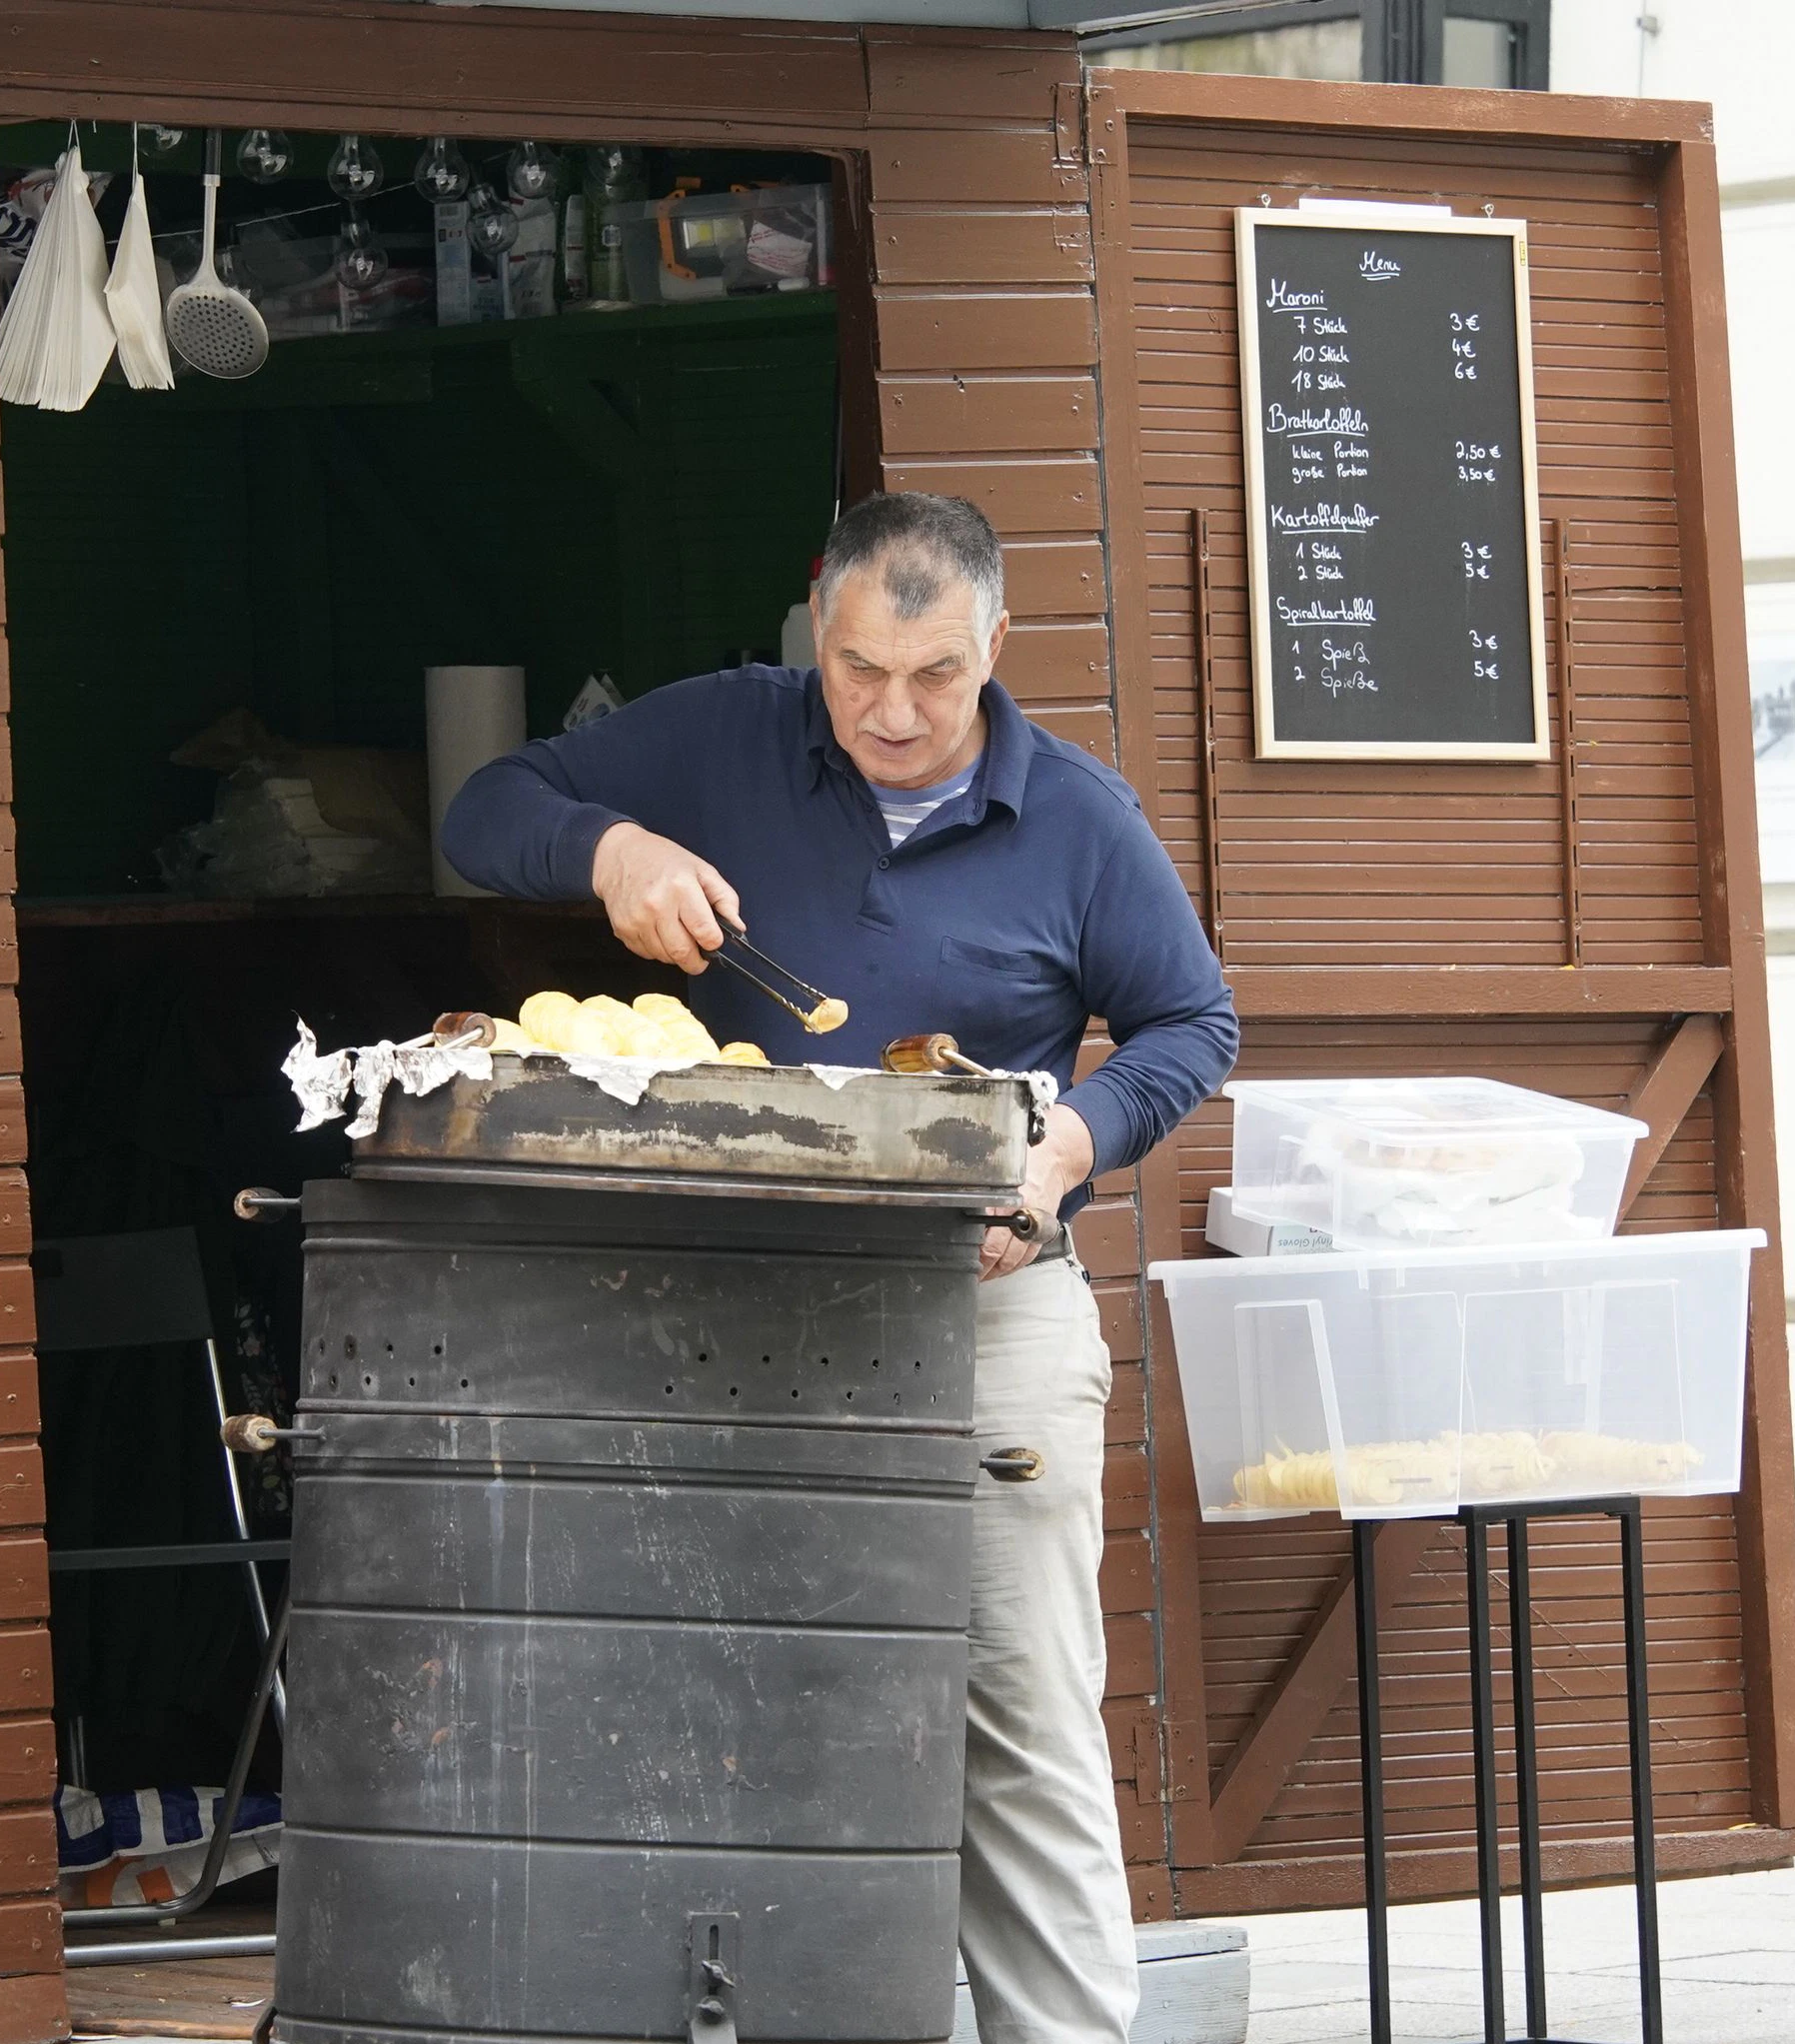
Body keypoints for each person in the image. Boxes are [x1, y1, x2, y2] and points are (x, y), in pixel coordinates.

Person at [441, 491, 1239, 2044]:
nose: (890, 711)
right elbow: (485, 808)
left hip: (984, 1309)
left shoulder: (1078, 816)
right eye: (859, 668)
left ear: (997, 647)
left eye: (935, 676)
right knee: (741, 1700)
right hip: (736, 1311)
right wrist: (609, 844)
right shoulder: (727, 735)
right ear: (820, 628)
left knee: (1018, 1720)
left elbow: (1191, 1026)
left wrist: (1067, 1148)